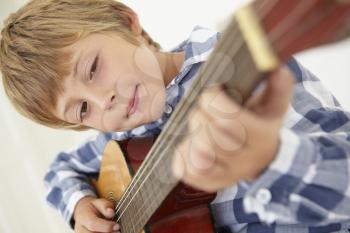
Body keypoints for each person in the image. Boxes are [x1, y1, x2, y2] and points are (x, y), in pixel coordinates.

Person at [1, 0, 350, 233]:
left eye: (92, 68)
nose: (103, 101)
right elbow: (60, 169)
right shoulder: (121, 138)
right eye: (82, 110)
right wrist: (79, 206)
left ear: (126, 21)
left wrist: (270, 161)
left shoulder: (235, 72)